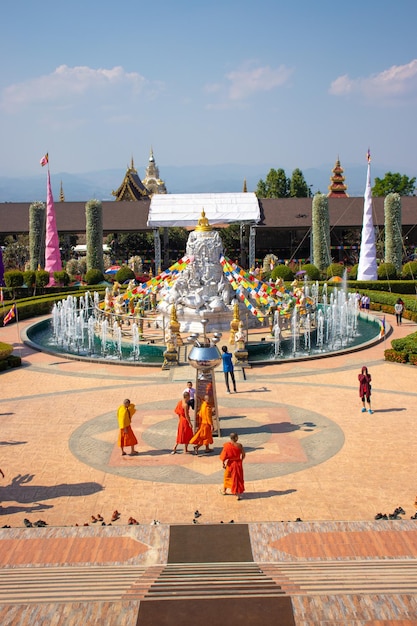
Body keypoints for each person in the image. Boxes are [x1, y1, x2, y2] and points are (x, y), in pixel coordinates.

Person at [220, 433, 245, 500]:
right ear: (236, 438)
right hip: (237, 463)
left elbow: (223, 456)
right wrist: (241, 460)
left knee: (227, 476)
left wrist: (223, 463)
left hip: (230, 464)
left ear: (230, 438)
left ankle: (224, 491)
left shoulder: (227, 446)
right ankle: (237, 494)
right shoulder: (239, 445)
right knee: (237, 478)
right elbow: (243, 455)